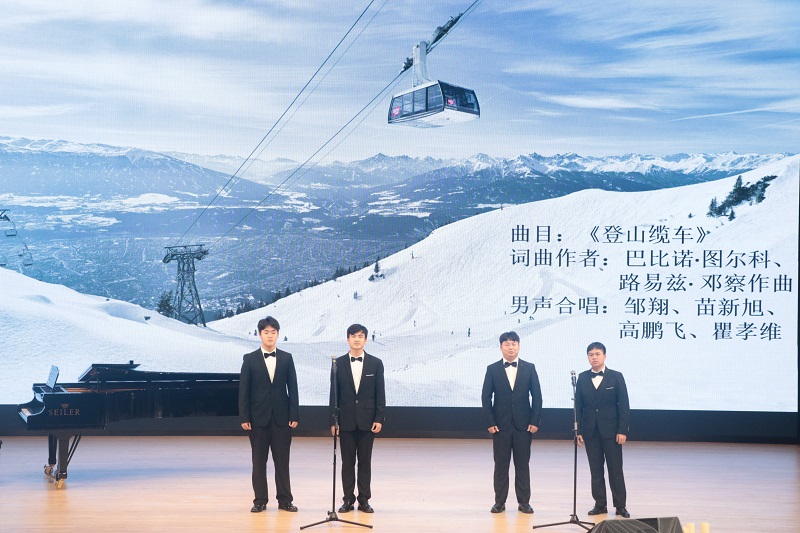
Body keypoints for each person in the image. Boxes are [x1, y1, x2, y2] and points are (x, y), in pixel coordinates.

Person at [239, 316, 299, 513]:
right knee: (258, 462)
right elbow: (244, 391)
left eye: (273, 332)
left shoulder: (287, 358)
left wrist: (294, 414)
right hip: (257, 418)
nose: (270, 336)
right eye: (266, 332)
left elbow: (293, 388)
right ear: (260, 334)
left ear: (278, 334)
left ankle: (285, 500)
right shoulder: (249, 359)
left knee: (282, 462)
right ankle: (260, 500)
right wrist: (244, 417)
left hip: (282, 418)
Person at [481, 331, 542, 514]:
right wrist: (490, 421)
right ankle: (499, 502)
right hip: (500, 426)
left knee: (522, 465)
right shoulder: (492, 369)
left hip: (524, 426)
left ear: (519, 346)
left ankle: (524, 502)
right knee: (501, 466)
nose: (510, 347)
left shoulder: (529, 368)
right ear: (501, 347)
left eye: (514, 343)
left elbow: (537, 396)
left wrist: (535, 420)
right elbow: (486, 397)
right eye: (507, 344)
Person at [329, 324, 385, 513]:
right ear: (348, 339)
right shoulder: (338, 364)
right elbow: (333, 395)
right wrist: (333, 421)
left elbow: (380, 394)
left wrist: (379, 418)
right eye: (353, 336)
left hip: (367, 421)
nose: (357, 339)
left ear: (366, 340)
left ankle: (364, 500)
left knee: (365, 462)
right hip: (345, 421)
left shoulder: (376, 363)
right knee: (347, 463)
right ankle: (347, 500)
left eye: (360, 336)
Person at [575, 341, 630, 518]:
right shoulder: (582, 378)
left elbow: (624, 405)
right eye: (591, 355)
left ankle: (620, 506)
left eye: (597, 354)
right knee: (596, 470)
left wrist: (622, 430)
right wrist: (579, 431)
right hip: (590, 432)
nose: (594, 357)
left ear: (604, 356)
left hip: (612, 432)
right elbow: (578, 406)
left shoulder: (616, 377)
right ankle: (600, 504)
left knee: (615, 469)